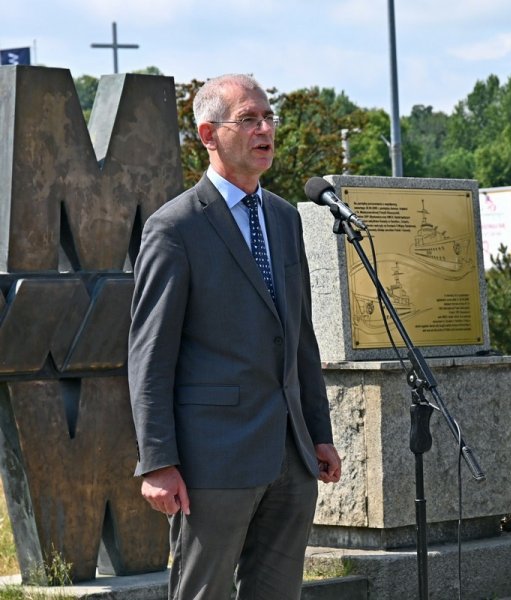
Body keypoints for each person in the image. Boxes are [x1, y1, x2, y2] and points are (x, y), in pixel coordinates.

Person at [128, 73, 341, 599]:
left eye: (268, 118)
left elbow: (301, 338)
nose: (264, 128)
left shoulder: (286, 217)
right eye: (248, 119)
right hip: (212, 462)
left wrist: (318, 430)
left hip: (290, 457)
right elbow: (150, 357)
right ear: (208, 134)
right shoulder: (174, 228)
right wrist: (157, 461)